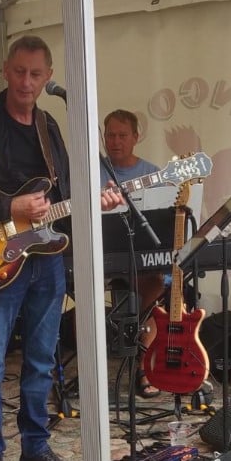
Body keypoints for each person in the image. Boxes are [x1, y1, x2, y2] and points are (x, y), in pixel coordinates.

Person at [0, 35, 124, 461]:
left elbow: (63, 194)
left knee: (43, 356)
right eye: (19, 72)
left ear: (49, 77)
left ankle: (35, 446)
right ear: (5, 70)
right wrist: (9, 206)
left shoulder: (49, 126)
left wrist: (94, 204)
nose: (26, 82)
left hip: (45, 257)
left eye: (35, 74)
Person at [101, 109, 162, 398]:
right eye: (110, 135)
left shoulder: (152, 173)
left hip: (140, 260)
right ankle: (90, 373)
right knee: (82, 292)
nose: (115, 141)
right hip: (99, 257)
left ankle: (143, 367)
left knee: (157, 283)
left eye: (122, 135)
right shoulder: (91, 170)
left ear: (136, 137)